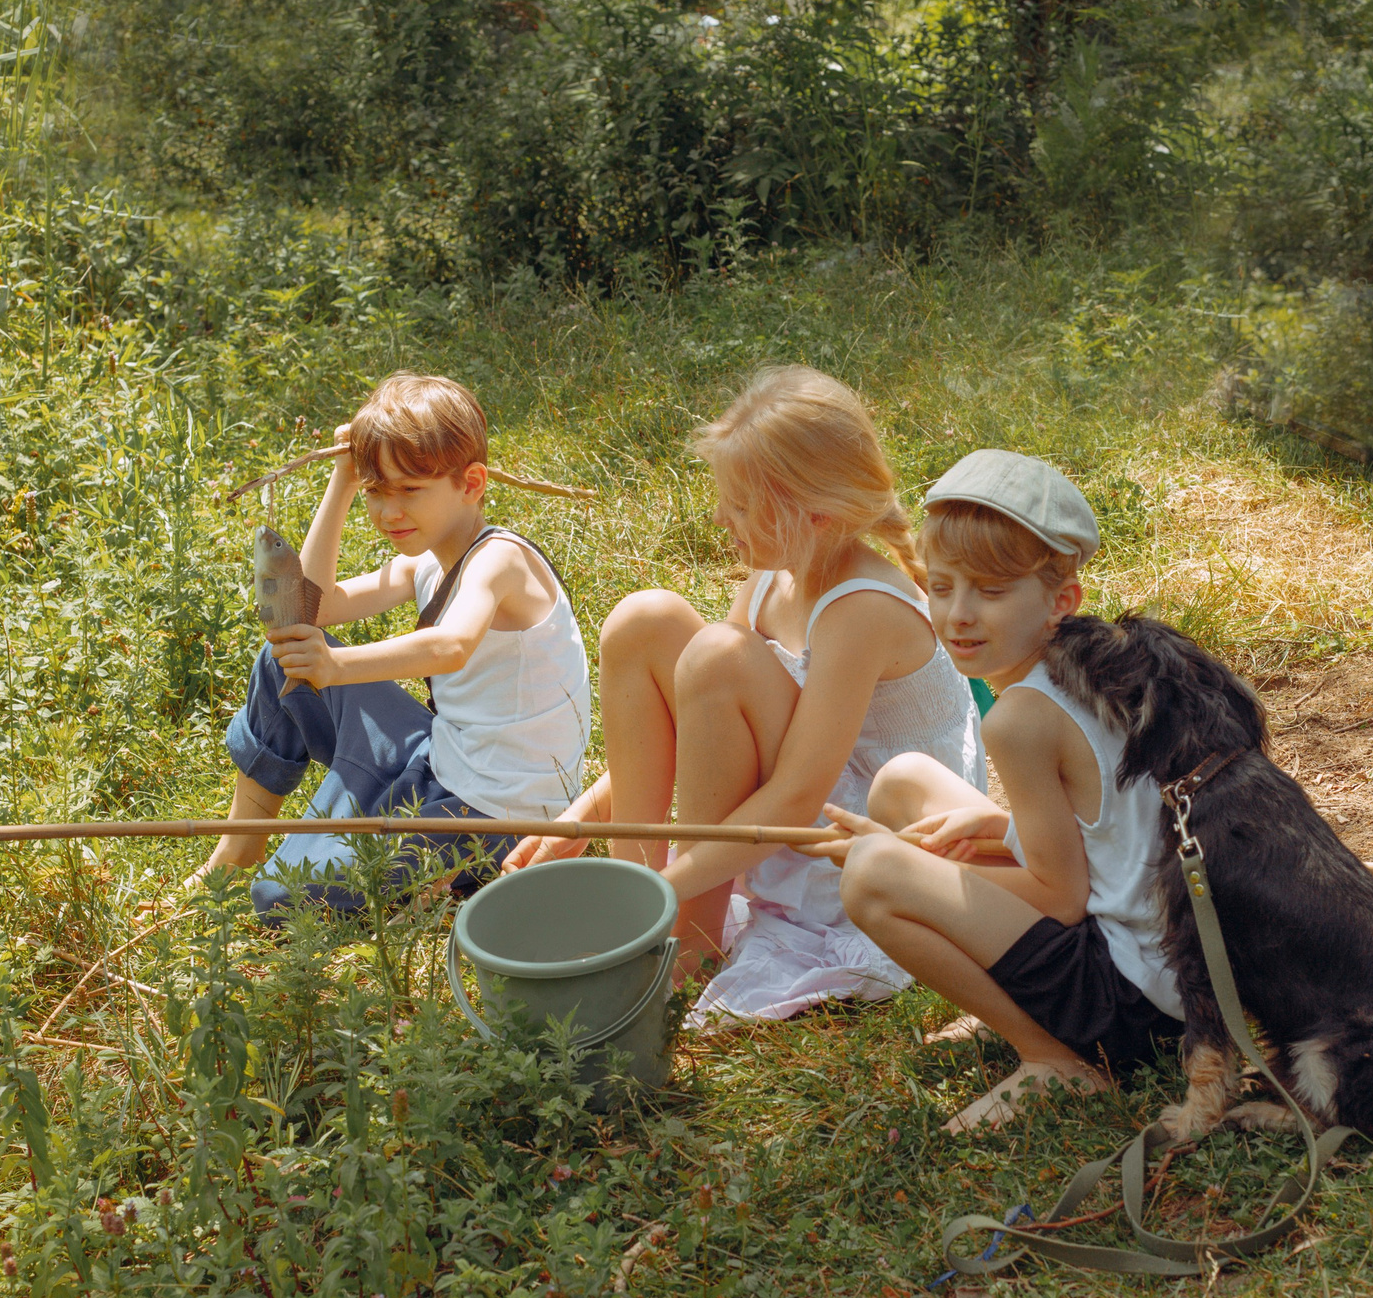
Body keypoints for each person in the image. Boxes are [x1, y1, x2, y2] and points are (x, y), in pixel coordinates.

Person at [505, 366, 983, 1020]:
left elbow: (794, 798)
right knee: (643, 621)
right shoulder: (771, 577)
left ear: (812, 515)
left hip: (859, 841)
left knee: (716, 655)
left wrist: (672, 887)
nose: (719, 517)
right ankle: (635, 892)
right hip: (789, 805)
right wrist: (580, 819)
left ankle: (681, 940)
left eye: (740, 504)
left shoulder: (861, 610)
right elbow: (702, 715)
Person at [814, 451, 1184, 1133]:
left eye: (990, 590)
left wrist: (915, 866)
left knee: (872, 874)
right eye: (942, 585)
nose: (958, 614)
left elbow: (1061, 898)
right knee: (903, 781)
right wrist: (999, 832)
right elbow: (1096, 840)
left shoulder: (1019, 717)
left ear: (1059, 601)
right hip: (1154, 958)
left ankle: (1057, 1060)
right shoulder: (1080, 663)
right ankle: (1014, 1002)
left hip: (1135, 1004)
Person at [201, 372, 591, 914]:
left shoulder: (500, 560)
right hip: (443, 756)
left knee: (280, 900)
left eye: (410, 490)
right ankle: (239, 846)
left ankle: (459, 881)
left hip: (493, 813)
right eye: (376, 492)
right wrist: (341, 479)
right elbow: (312, 607)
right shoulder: (428, 562)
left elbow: (450, 645)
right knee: (282, 658)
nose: (389, 512)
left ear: (472, 483)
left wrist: (336, 665)